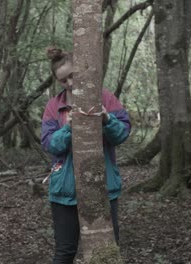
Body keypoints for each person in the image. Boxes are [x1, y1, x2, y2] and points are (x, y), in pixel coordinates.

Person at [41, 47, 131, 263]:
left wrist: (107, 120)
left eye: (73, 76)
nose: (70, 83)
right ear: (58, 82)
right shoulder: (54, 106)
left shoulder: (106, 98)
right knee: (64, 252)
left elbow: (122, 133)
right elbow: (49, 144)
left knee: (106, 251)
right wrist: (69, 127)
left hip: (103, 187)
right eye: (63, 80)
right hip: (64, 191)